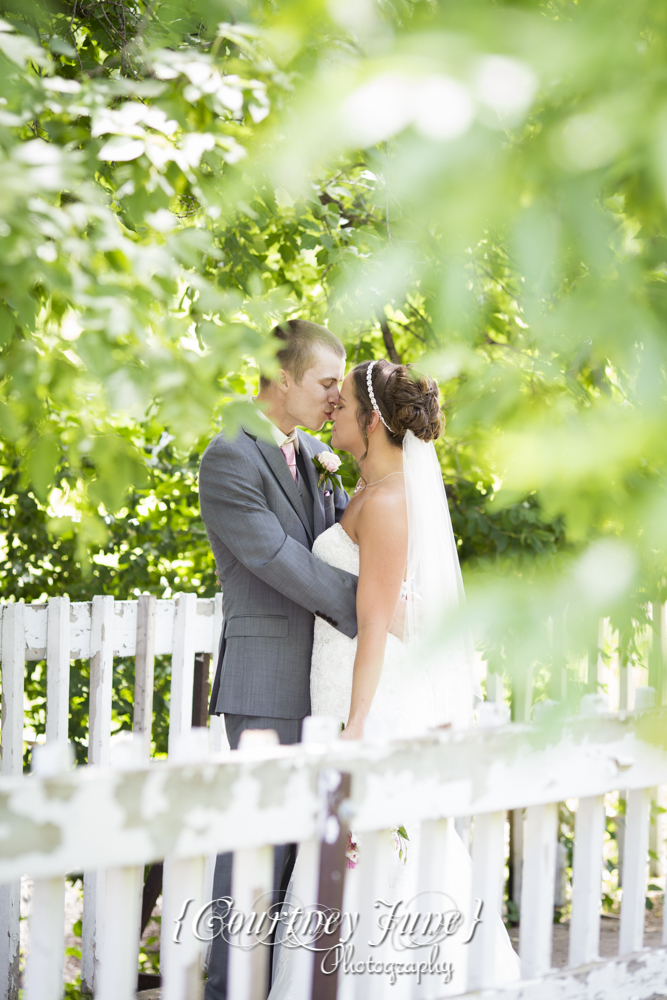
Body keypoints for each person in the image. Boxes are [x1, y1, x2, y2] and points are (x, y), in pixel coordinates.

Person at [268, 358, 521, 999]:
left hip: (367, 703)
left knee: (374, 862)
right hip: (344, 690)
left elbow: (376, 625)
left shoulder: (386, 503)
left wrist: (355, 728)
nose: (333, 411)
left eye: (344, 403)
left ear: (374, 420)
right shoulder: (370, 492)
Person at [198, 318, 357, 1000]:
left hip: (322, 676)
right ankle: (226, 990)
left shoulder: (316, 452)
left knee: (301, 850)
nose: (334, 396)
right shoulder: (228, 455)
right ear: (282, 379)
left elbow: (345, 535)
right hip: (263, 684)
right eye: (325, 382)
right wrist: (366, 607)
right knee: (254, 848)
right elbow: (273, 557)